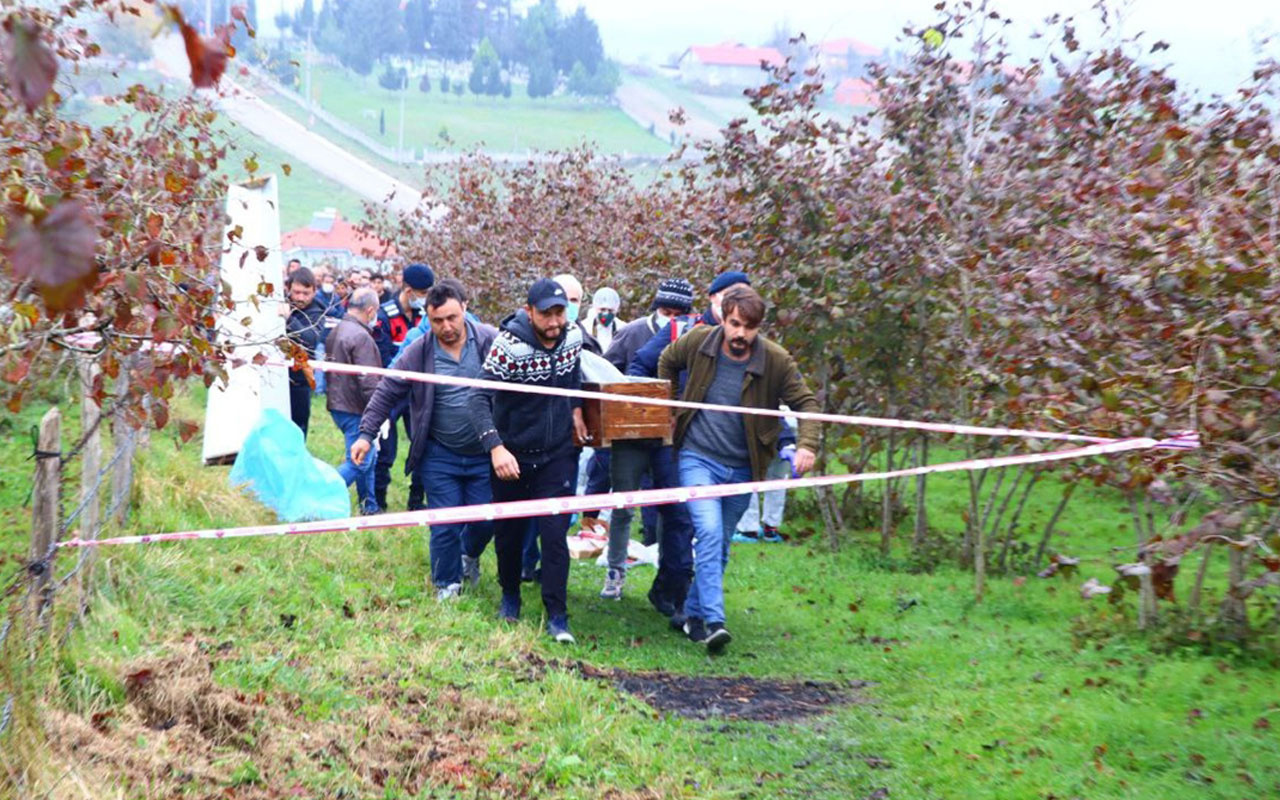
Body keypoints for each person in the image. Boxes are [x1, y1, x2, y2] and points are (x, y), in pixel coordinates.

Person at [658, 285, 820, 653]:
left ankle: (691, 616)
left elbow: (806, 402)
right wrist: (668, 407)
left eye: (749, 327)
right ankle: (715, 622)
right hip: (697, 458)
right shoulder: (698, 342)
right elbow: (667, 361)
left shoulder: (775, 360)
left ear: (758, 327)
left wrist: (807, 445)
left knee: (722, 545)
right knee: (710, 533)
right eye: (734, 324)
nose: (740, 334)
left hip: (744, 467)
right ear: (723, 318)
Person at [352, 280, 499, 599]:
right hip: (439, 453)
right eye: (437, 321)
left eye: (452, 318)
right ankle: (446, 584)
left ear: (465, 308)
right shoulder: (418, 349)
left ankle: (469, 556)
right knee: (444, 522)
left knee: (485, 518)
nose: (446, 327)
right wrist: (366, 434)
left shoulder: (489, 340)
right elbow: (388, 391)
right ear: (427, 319)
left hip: (485, 453)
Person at [470, 278, 589, 643]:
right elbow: (477, 398)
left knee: (555, 537)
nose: (554, 322)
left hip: (556, 455)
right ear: (529, 312)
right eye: (546, 314)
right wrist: (496, 448)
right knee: (509, 534)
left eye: (560, 312)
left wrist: (578, 411)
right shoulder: (508, 347)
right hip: (513, 455)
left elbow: (572, 380)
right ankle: (510, 596)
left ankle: (557, 614)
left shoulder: (573, 338)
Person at [372, 263, 433, 512]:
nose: (424, 298)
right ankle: (377, 501)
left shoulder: (427, 317)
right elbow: (383, 356)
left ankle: (417, 501)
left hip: (418, 392)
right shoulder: (385, 316)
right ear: (408, 289)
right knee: (385, 448)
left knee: (422, 444)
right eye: (421, 292)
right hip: (394, 391)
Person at [325, 288, 383, 514]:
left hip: (338, 403)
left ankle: (369, 506)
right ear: (370, 311)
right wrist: (379, 412)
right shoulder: (361, 337)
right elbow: (369, 380)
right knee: (360, 461)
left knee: (369, 457)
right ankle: (321, 493)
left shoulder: (336, 330)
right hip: (356, 407)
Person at [734, 414, 797, 543]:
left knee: (749, 478)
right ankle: (770, 529)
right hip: (786, 425)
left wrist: (786, 442)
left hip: (767, 427)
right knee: (777, 481)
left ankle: (749, 531)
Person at [283, 267, 326, 438]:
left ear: (314, 291)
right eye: (297, 292)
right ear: (288, 289)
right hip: (273, 375)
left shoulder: (317, 312)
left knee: (297, 430)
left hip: (299, 379)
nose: (300, 297)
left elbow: (309, 339)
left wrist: (289, 320)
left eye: (306, 293)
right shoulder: (278, 302)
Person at [583, 287, 624, 353]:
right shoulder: (584, 327)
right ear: (595, 308)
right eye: (603, 309)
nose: (606, 313)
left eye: (610, 310)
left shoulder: (622, 328)